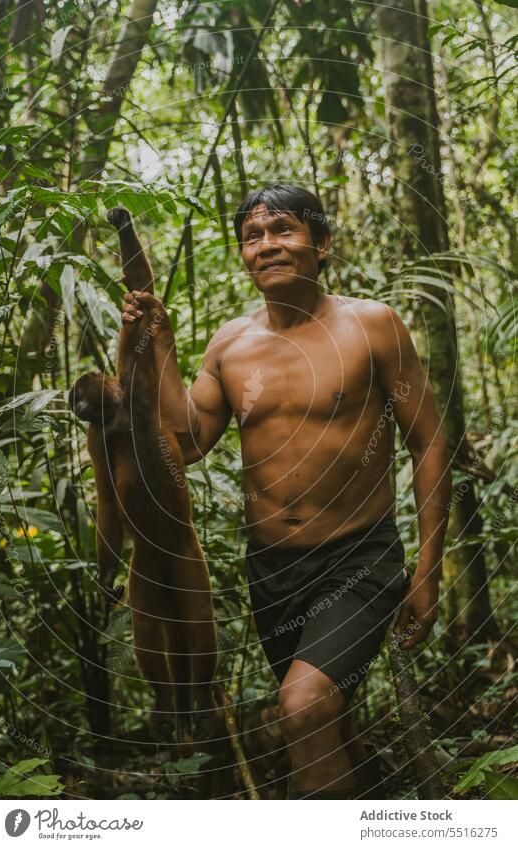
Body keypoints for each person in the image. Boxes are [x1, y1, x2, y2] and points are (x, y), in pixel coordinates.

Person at [121, 184, 452, 799]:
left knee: (301, 707)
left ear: (321, 244)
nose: (267, 246)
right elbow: (189, 441)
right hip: (270, 569)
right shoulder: (230, 345)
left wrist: (428, 570)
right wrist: (158, 346)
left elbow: (429, 443)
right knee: (325, 717)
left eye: (283, 231)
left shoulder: (371, 326)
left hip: (358, 558)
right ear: (243, 254)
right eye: (253, 236)